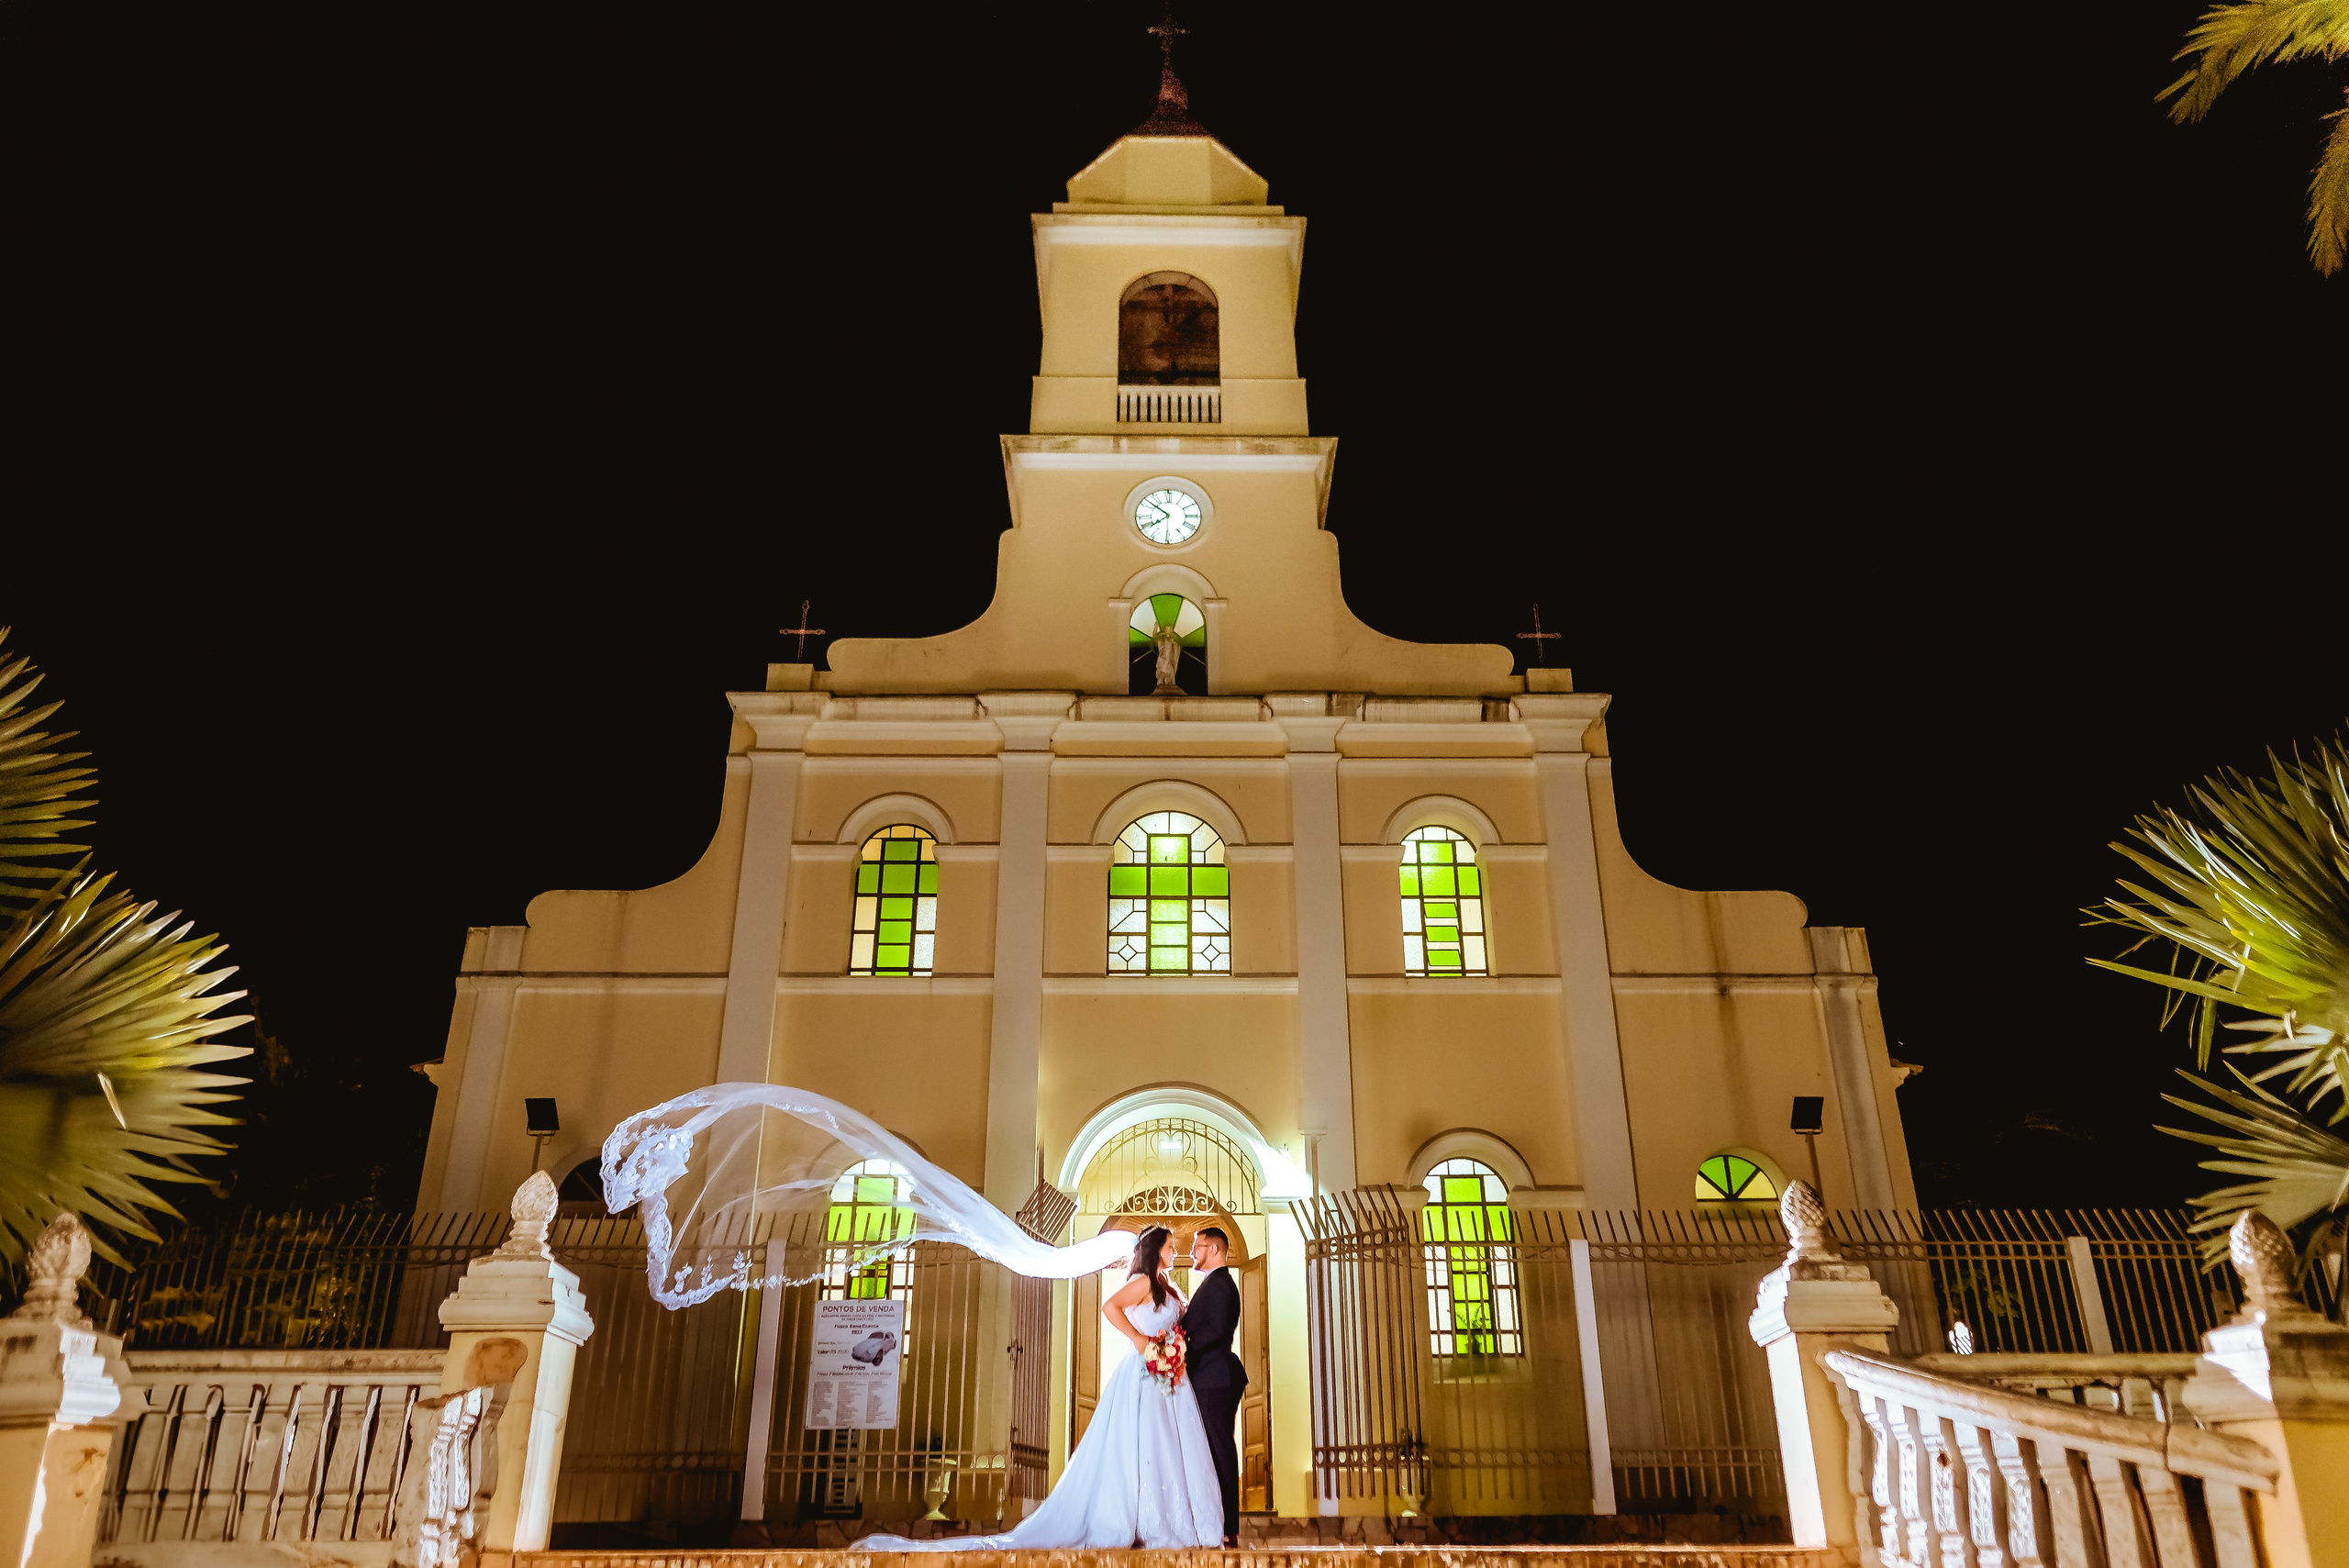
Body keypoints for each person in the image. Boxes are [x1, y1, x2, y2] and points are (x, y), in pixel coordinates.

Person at [856, 1225, 1222, 1551]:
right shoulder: (1142, 1282)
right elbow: (1111, 1308)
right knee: (1143, 1443)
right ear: (1156, 1249)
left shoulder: (1168, 1287)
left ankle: (1173, 1518)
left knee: (1169, 1446)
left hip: (1170, 1377)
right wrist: (1142, 1342)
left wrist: (1173, 1350)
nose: (1175, 1251)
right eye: (1171, 1246)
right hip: (1142, 1373)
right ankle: (1142, 1519)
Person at [1182, 1227, 1246, 1547]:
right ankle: (1212, 1521)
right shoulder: (1211, 1284)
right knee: (1206, 1449)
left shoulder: (1222, 1286)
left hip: (1215, 1376)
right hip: (1205, 1375)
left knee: (1220, 1449)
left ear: (1216, 1248)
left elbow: (1215, 1332)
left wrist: (1180, 1349)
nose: (1193, 1252)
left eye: (1198, 1246)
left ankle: (1228, 1526)